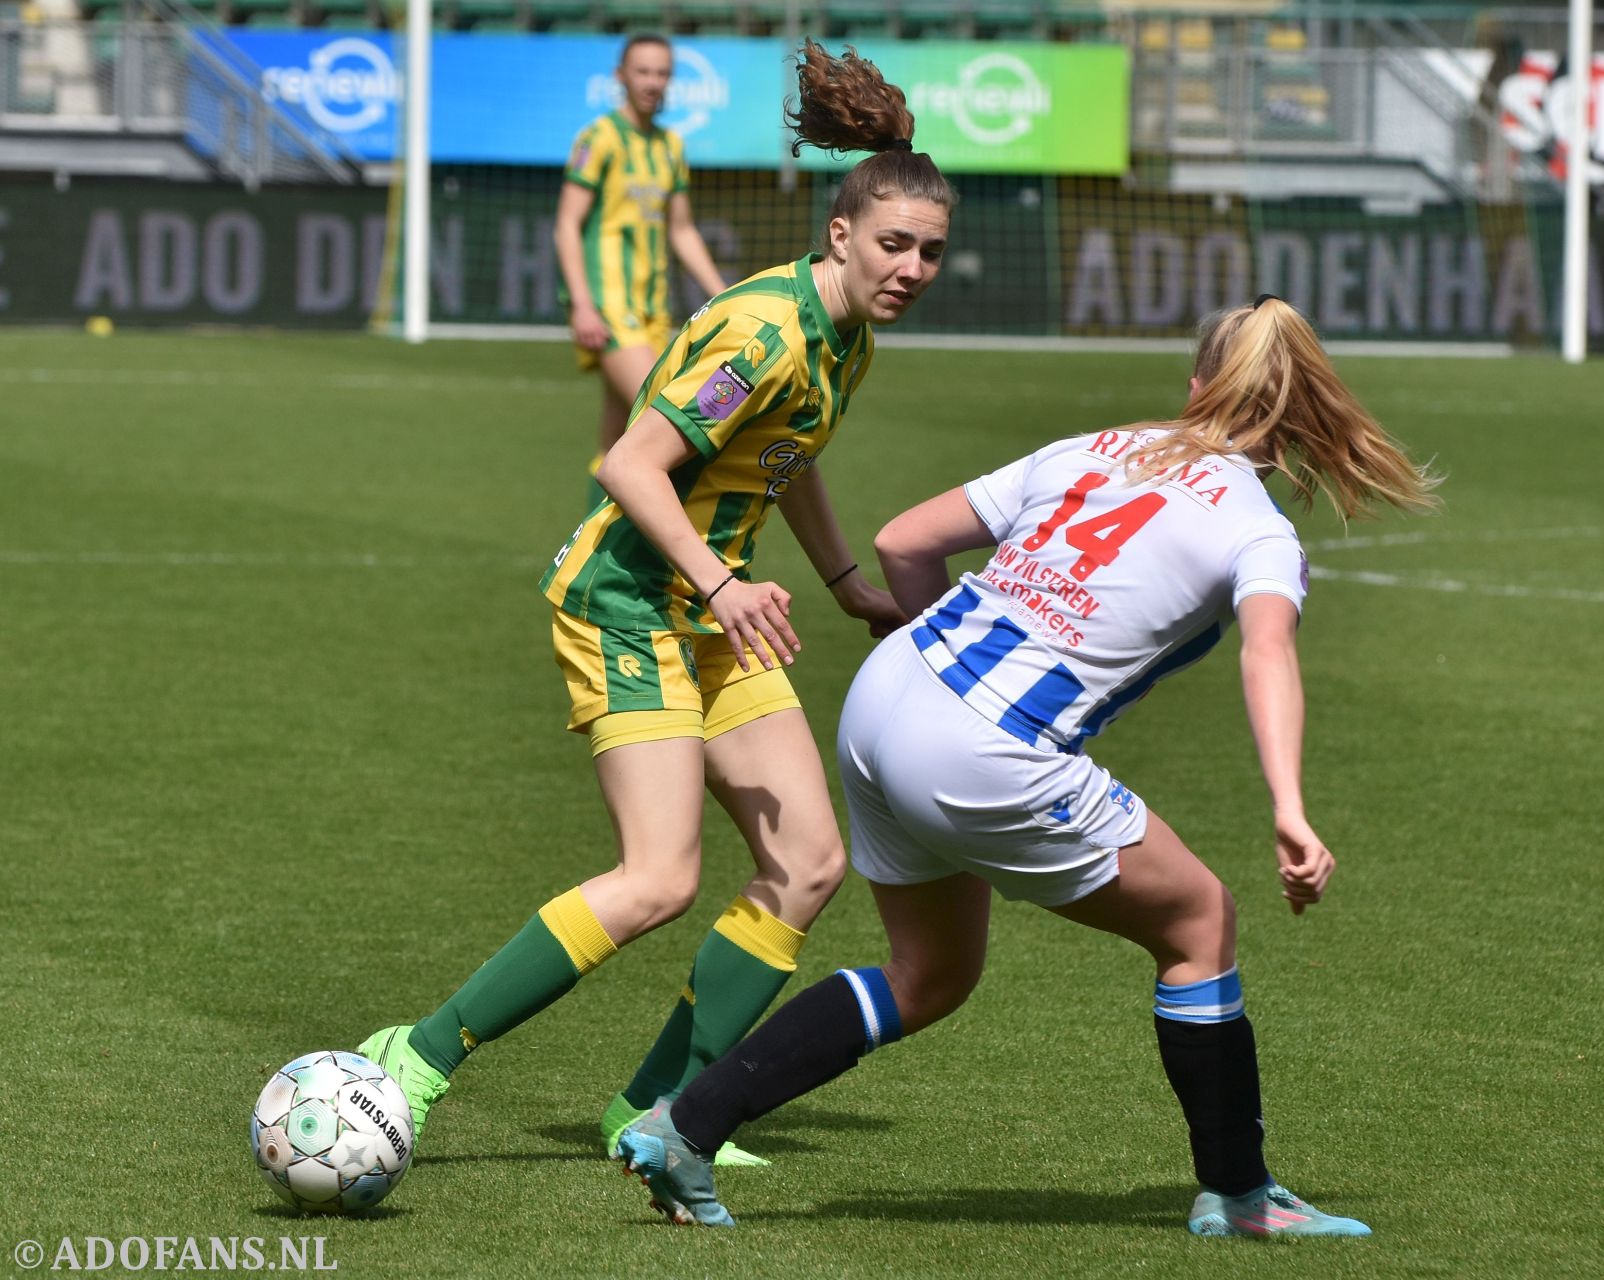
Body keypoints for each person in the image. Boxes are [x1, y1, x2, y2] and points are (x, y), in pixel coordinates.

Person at [614, 295, 1440, 1238]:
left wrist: (938, 676)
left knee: (929, 975)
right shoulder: (1256, 530)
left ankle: (687, 1125)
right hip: (982, 745)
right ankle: (1244, 1198)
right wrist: (1290, 806)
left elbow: (902, 541)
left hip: (889, 691)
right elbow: (1268, 654)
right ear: (1296, 415)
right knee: (1200, 921)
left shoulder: (1093, 446)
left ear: (1197, 385)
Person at [360, 41, 954, 1182]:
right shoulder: (764, 330)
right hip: (628, 600)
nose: (913, 266)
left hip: (712, 612)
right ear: (840, 234)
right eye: (893, 244)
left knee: (809, 861)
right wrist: (729, 583)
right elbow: (632, 463)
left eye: (930, 250)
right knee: (658, 878)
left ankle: (655, 1107)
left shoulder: (847, 340)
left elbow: (793, 456)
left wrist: (840, 585)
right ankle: (418, 1054)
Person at [555, 35, 730, 465]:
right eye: (643, 72)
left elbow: (682, 231)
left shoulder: (670, 146)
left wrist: (725, 296)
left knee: (618, 439)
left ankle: (592, 534)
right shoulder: (599, 139)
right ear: (621, 77)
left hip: (653, 308)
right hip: (610, 306)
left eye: (662, 73)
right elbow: (566, 224)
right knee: (664, 420)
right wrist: (582, 304)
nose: (653, 82)